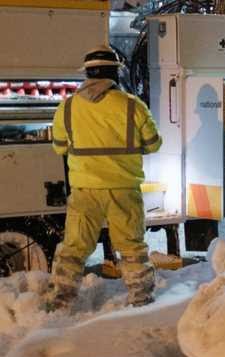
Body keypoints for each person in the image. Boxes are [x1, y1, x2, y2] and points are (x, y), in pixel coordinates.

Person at [45, 45, 162, 312]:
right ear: (115, 73)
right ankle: (141, 299)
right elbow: (153, 144)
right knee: (132, 247)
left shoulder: (67, 107)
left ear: (87, 73)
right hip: (123, 189)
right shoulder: (133, 106)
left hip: (85, 190)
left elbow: (59, 147)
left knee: (73, 249)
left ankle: (59, 301)